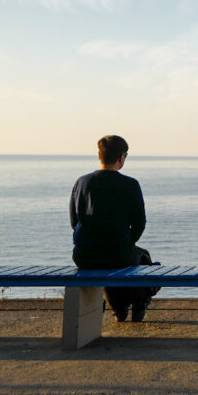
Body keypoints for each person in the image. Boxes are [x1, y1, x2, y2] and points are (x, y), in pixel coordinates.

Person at [70, 135, 157, 322]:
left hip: (85, 256)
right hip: (119, 253)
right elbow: (140, 224)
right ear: (122, 157)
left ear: (99, 156)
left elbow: (74, 222)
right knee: (142, 260)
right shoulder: (130, 184)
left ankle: (119, 309)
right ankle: (137, 305)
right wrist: (127, 241)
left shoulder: (81, 182)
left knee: (111, 261)